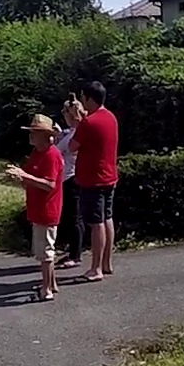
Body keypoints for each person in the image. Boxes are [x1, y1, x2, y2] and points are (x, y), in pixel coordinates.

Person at [5, 115, 65, 301]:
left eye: (35, 132)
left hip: (47, 209)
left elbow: (49, 184)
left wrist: (24, 175)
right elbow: (32, 178)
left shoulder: (52, 155)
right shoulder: (37, 153)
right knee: (44, 249)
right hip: (37, 208)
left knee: (46, 252)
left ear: (46, 135)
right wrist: (21, 177)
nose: (30, 135)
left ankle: (46, 290)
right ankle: (51, 284)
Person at [68, 80, 119, 281]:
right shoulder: (111, 117)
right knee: (107, 218)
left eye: (83, 98)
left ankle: (96, 268)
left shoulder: (89, 122)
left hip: (93, 179)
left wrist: (77, 119)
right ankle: (106, 263)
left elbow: (72, 146)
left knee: (95, 223)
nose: (82, 101)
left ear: (89, 98)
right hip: (109, 175)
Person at [53, 100, 86, 269]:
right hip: (66, 176)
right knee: (71, 216)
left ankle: (75, 255)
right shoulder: (71, 132)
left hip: (71, 177)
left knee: (75, 217)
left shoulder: (75, 134)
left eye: (65, 113)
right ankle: (73, 251)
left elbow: (58, 151)